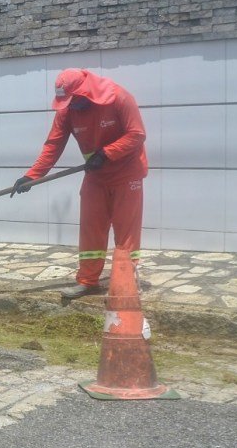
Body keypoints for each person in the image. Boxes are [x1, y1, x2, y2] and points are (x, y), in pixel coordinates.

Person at [12, 68, 147, 299]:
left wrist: (106, 153)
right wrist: (32, 176)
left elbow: (137, 134)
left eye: (73, 100)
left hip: (127, 175)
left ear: (86, 92)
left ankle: (125, 282)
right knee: (91, 229)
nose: (70, 106)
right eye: (65, 102)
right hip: (96, 177)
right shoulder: (68, 110)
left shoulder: (119, 97)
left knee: (126, 232)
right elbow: (53, 144)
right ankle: (87, 281)